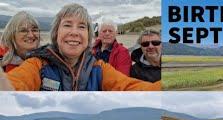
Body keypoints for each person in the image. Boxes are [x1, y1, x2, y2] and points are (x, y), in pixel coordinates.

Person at [0, 3, 160, 91]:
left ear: (89, 37)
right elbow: (15, 84)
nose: (74, 32)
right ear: (56, 33)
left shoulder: (99, 68)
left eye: (82, 27)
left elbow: (131, 88)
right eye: (67, 25)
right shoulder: (37, 65)